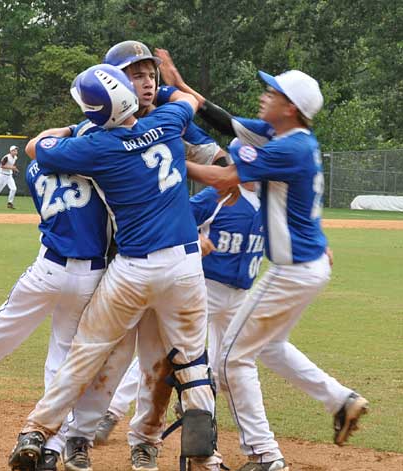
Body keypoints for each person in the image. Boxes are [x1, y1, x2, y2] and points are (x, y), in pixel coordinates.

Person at [156, 49, 369, 471]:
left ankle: (264, 455)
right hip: (308, 267)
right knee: (269, 348)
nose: (264, 95)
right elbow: (223, 121)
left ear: (290, 107)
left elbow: (224, 178)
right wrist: (180, 87)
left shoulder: (285, 150)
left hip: (291, 273)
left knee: (230, 358)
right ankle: (340, 400)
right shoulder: (288, 137)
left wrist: (162, 160)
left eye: (271, 91)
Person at [8, 63, 223, 471]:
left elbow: (37, 149)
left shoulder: (96, 147)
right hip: (184, 265)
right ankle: (203, 456)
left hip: (134, 269)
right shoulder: (166, 121)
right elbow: (187, 100)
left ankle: (37, 429)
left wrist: (70, 130)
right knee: (192, 360)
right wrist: (161, 93)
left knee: (87, 350)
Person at [0, 136, 113, 471]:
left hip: (49, 267)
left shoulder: (34, 170)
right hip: (91, 275)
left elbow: (41, 148)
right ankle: (52, 447)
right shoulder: (97, 170)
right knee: (64, 359)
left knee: (11, 318)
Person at [95, 179, 263, 447]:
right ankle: (111, 412)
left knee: (228, 364)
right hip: (203, 287)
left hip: (239, 296)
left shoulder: (269, 199)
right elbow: (176, 218)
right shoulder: (218, 195)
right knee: (164, 355)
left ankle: (205, 422)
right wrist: (196, 237)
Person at [0, 145, 19, 209]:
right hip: (3, 175)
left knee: (14, 189)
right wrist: (12, 168)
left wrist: (14, 169)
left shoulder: (15, 157)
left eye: (16, 150)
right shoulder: (6, 157)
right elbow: (2, 166)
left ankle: (9, 203)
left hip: (9, 176)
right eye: (14, 150)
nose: (15, 151)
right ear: (11, 151)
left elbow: (12, 165)